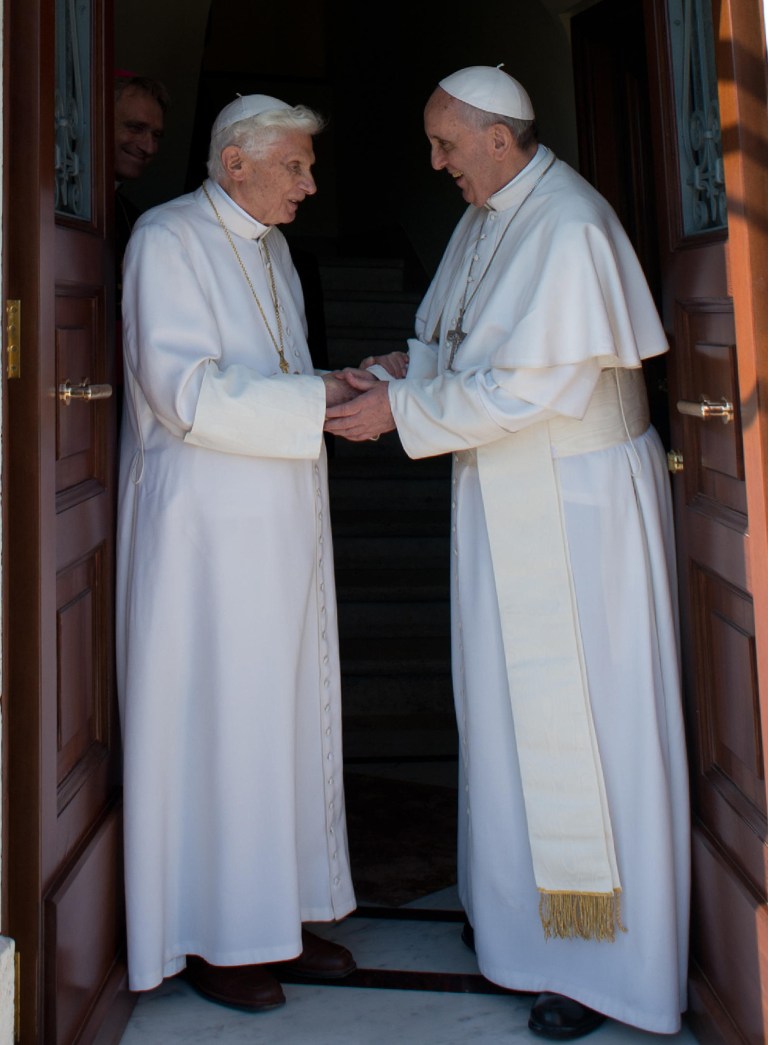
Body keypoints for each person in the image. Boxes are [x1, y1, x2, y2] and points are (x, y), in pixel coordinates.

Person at [325, 65, 690, 1039]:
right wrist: (409, 367)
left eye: (447, 144)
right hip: (508, 495)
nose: (436, 162)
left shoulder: (569, 226)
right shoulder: (492, 216)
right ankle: (525, 931)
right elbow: (475, 350)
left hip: (577, 510)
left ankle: (609, 966)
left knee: (588, 726)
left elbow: (533, 391)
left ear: (498, 135)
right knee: (502, 716)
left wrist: (396, 411)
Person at [116, 93, 363, 1012]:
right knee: (223, 726)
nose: (308, 183)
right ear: (235, 165)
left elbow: (281, 378)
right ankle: (218, 935)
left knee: (285, 719)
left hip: (281, 522)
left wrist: (337, 386)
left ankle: (280, 917)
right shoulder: (168, 240)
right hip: (206, 538)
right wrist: (321, 404)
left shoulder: (276, 250)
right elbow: (185, 390)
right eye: (295, 166)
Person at [114, 73, 169, 314]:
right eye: (135, 128)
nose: (148, 147)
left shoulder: (134, 218)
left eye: (156, 136)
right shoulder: (51, 202)